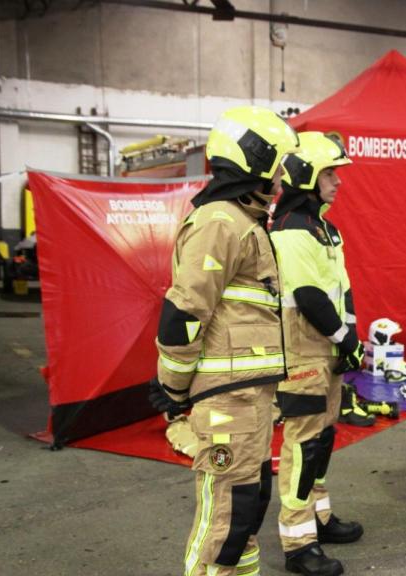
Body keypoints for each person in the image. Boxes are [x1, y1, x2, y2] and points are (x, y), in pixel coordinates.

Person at [150, 106, 299, 576]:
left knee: (247, 510)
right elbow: (183, 314)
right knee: (225, 519)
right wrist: (173, 388)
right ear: (253, 159)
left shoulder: (244, 220)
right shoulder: (221, 222)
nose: (280, 175)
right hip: (227, 400)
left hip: (248, 396)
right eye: (275, 163)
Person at [269, 132, 366, 576]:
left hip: (326, 345)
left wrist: (349, 337)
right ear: (306, 174)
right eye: (330, 172)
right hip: (302, 348)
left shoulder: (323, 227)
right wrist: (346, 340)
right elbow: (307, 294)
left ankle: (319, 518)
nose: (337, 181)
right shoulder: (289, 226)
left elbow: (339, 288)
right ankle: (297, 542)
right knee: (303, 446)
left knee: (323, 439)